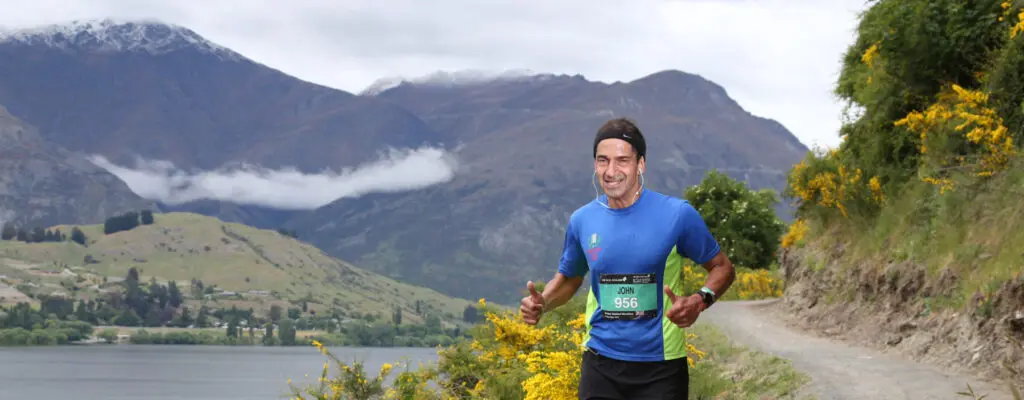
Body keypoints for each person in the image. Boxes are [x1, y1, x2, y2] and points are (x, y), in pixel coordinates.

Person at [519, 117, 736, 400]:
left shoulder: (677, 215)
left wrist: (699, 300)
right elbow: (570, 278)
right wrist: (544, 303)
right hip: (600, 363)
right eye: (603, 161)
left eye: (622, 160)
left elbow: (722, 268)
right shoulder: (582, 220)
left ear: (640, 164)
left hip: (661, 368)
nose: (611, 171)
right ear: (595, 165)